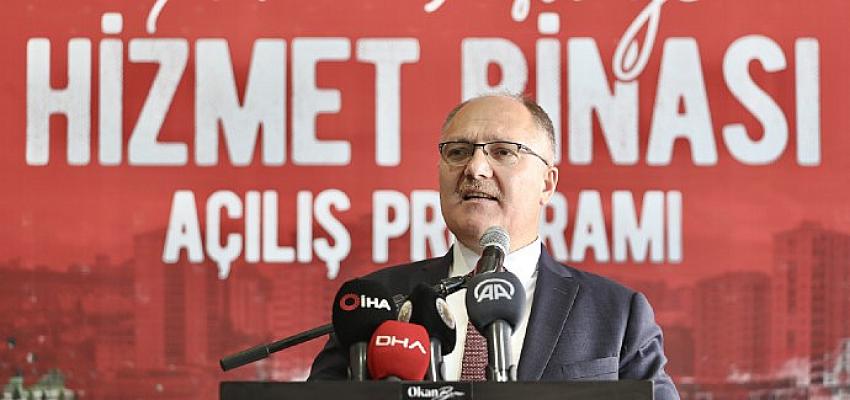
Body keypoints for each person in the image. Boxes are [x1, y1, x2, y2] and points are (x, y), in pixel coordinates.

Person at [309, 94, 679, 399]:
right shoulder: (375, 303)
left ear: (547, 183)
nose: (475, 168)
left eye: (503, 152)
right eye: (458, 152)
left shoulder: (616, 313)